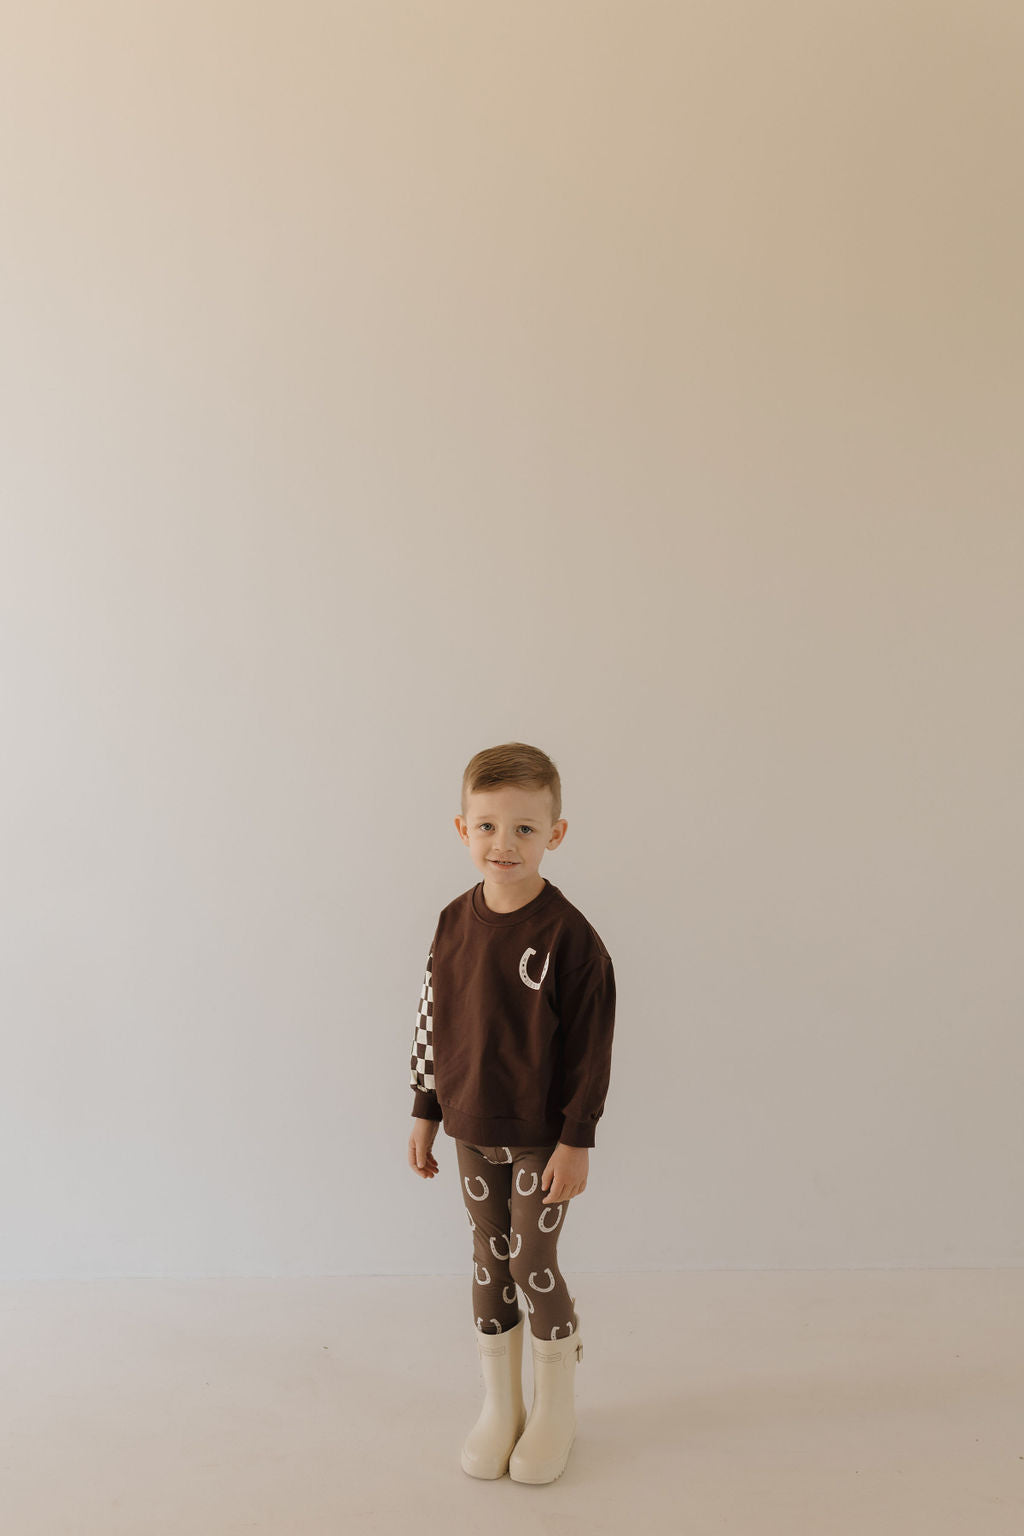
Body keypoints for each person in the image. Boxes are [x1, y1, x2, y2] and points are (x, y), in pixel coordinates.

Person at [406, 741, 617, 1484]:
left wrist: (576, 1140)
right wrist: (425, 1109)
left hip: (540, 1137)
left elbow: (592, 1051)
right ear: (463, 829)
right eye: (489, 826)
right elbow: (433, 1018)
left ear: (555, 834)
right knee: (488, 1263)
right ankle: (502, 1406)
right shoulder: (451, 925)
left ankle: (554, 1404)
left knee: (532, 1260)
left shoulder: (573, 941)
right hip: (469, 1127)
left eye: (525, 828)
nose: (505, 844)